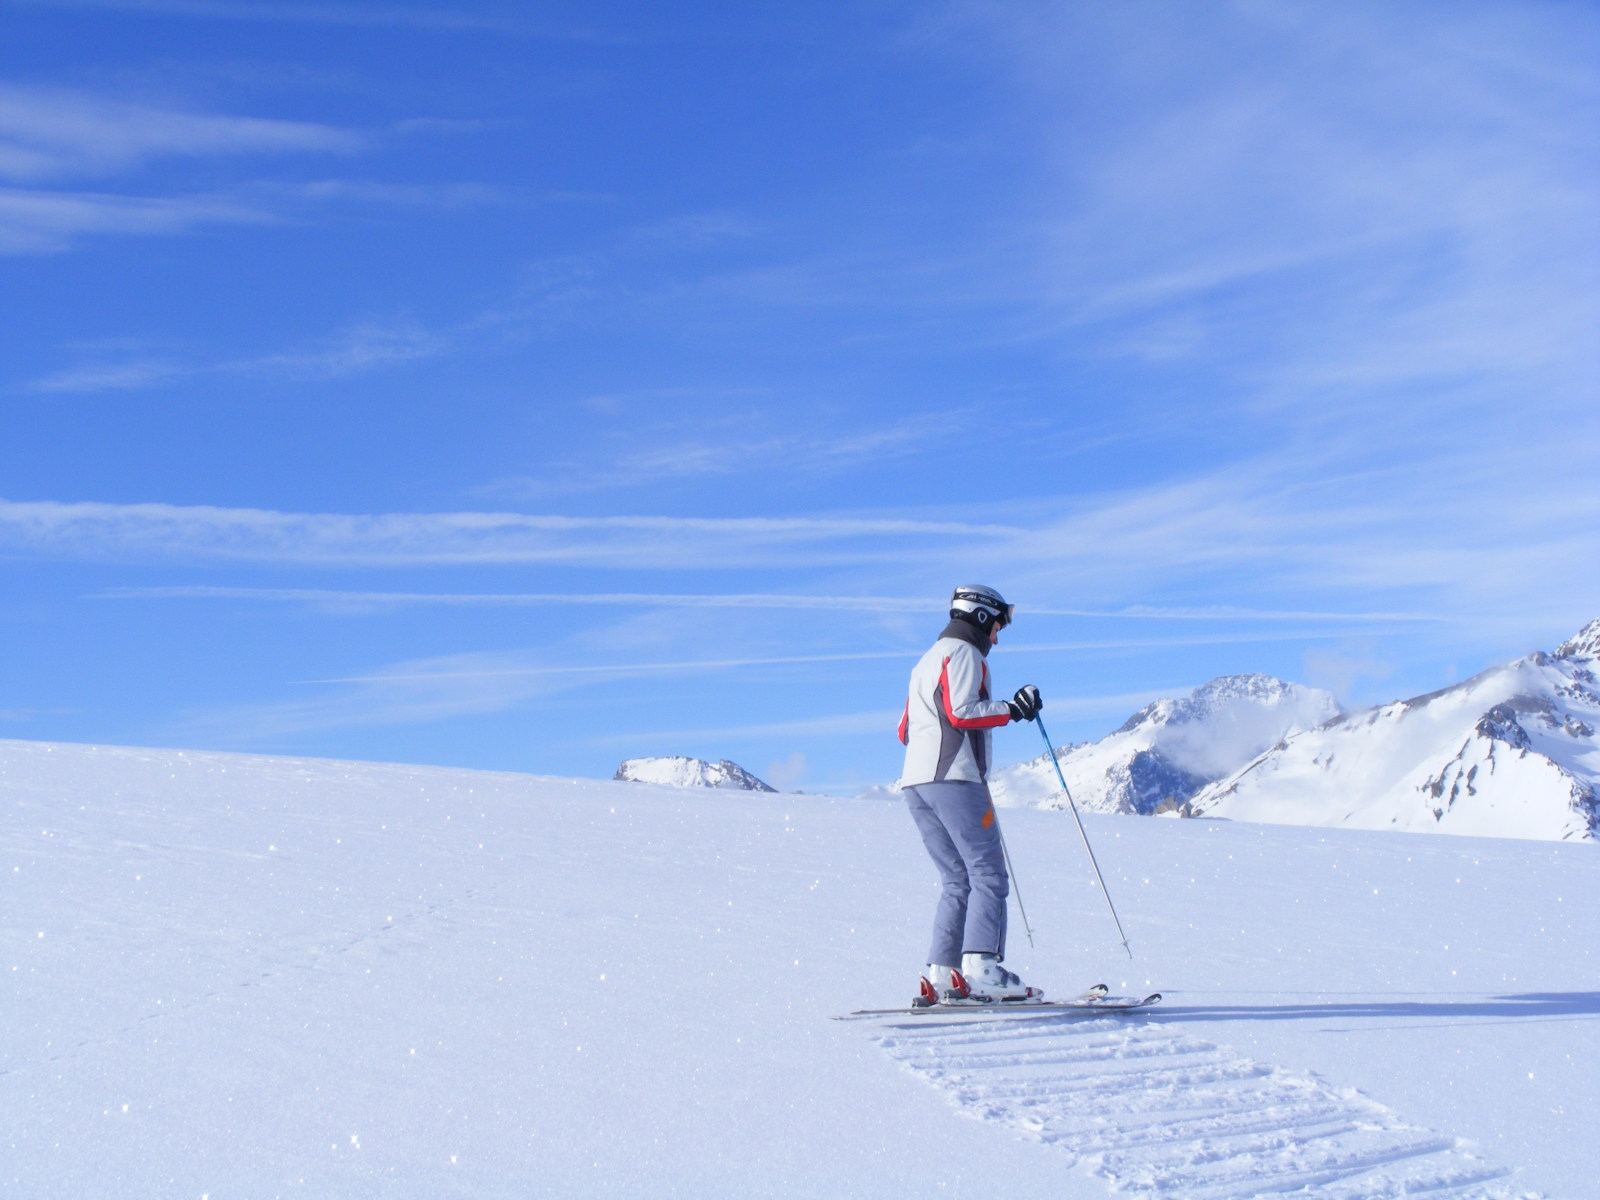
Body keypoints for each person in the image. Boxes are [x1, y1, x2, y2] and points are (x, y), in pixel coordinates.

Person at [896, 585, 1043, 1005]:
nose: (997, 637)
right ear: (980, 618)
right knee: (988, 874)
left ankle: (942, 974)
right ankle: (983, 969)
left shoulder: (925, 661)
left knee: (956, 879)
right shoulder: (964, 655)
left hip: (916, 783)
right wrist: (1013, 709)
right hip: (955, 779)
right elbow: (962, 712)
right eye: (997, 626)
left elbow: (905, 730)